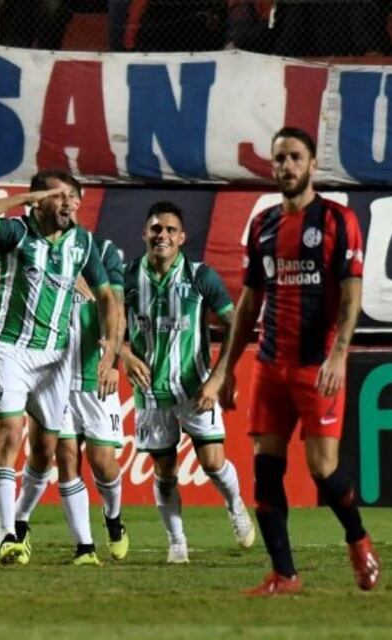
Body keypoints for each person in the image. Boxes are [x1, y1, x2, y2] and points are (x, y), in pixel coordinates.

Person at [204, 127, 378, 595]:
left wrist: (339, 355)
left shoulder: (338, 221)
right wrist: (226, 368)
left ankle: (358, 540)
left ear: (312, 164)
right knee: (265, 468)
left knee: (323, 469)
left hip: (315, 363)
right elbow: (248, 304)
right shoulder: (263, 225)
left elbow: (350, 297)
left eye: (294, 157)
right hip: (269, 362)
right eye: (279, 158)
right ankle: (285, 574)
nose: (285, 166)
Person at [0, 169, 121, 566]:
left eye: (72, 197)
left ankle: (21, 521)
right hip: (9, 349)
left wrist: (109, 352)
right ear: (39, 200)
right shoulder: (16, 234)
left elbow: (106, 298)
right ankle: (7, 537)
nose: (69, 204)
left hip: (55, 357)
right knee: (10, 433)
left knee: (46, 450)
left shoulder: (81, 243)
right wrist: (21, 199)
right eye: (59, 196)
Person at [120, 201, 255, 564]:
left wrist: (217, 378)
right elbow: (105, 321)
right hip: (149, 394)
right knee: (165, 472)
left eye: (168, 229)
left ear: (181, 237)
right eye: (155, 229)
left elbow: (236, 325)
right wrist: (123, 352)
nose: (161, 234)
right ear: (144, 234)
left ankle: (235, 504)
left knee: (212, 462)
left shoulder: (200, 276)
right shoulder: (128, 276)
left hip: (195, 389)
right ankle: (177, 541)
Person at [12, 230, 130, 563]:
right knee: (62, 457)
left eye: (71, 199)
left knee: (103, 464)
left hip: (95, 375)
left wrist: (111, 361)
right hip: (55, 374)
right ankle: (84, 547)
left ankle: (114, 519)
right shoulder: (36, 252)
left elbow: (116, 309)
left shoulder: (103, 250)